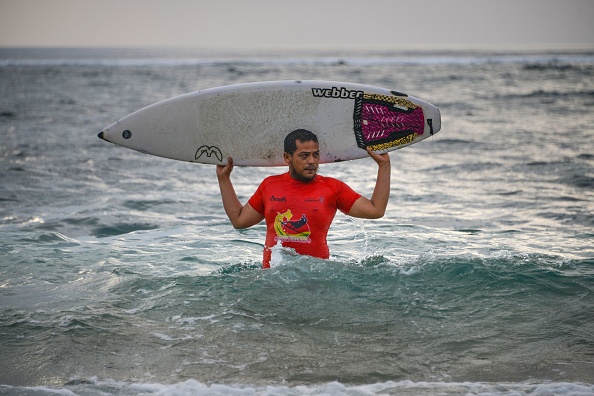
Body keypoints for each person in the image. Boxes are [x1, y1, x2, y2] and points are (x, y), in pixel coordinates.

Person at [216, 129, 390, 268]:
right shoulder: (269, 185)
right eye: (304, 155)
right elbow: (239, 221)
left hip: (316, 279)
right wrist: (223, 179)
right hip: (273, 278)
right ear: (287, 158)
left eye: (315, 155)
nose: (312, 161)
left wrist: (384, 166)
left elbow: (376, 210)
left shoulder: (332, 188)